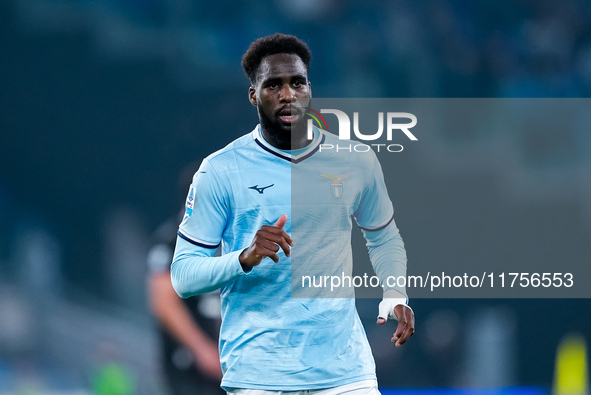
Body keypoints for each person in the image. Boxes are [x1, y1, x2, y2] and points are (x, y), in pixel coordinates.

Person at [171, 33, 415, 393]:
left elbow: (383, 236)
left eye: (296, 83)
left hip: (344, 371)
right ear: (253, 95)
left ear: (309, 88)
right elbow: (183, 276)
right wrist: (244, 257)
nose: (287, 95)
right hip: (260, 372)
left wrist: (395, 292)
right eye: (273, 85)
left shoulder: (355, 160)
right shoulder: (220, 170)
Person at [147, 164, 225, 395]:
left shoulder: (234, 237)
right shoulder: (170, 242)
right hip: (191, 369)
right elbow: (164, 302)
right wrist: (202, 350)